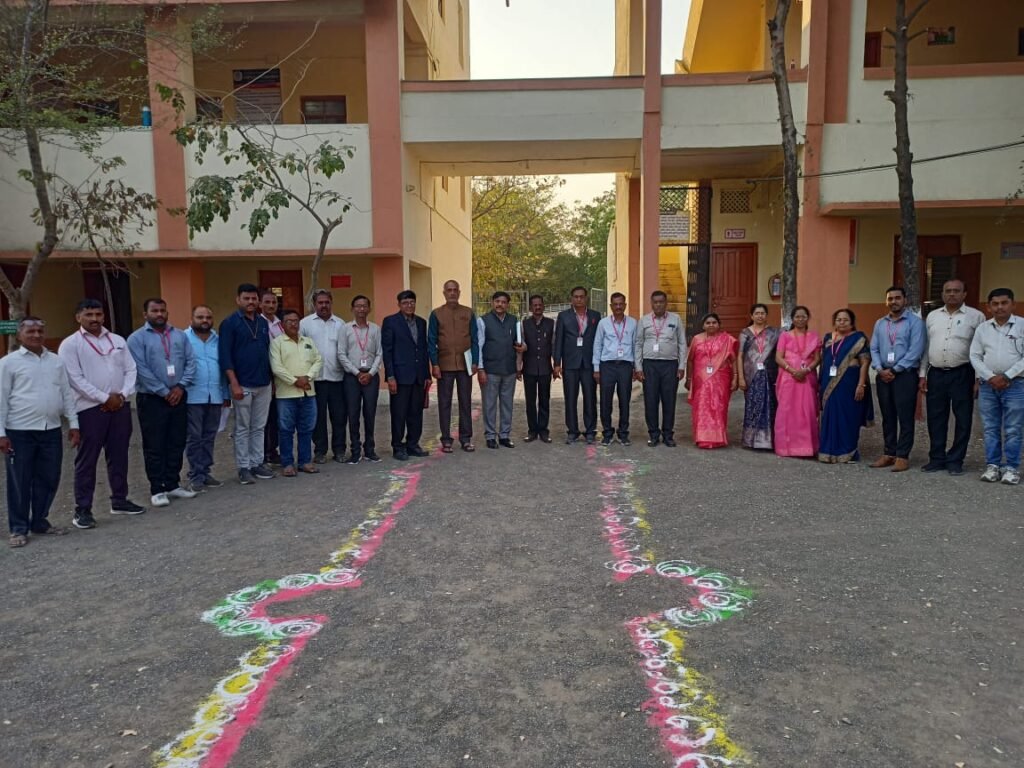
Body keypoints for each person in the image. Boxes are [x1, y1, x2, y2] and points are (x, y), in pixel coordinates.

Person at [58, 299, 144, 530]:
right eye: (88, 314)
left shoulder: (117, 340)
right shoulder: (70, 345)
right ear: (78, 317)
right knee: (87, 459)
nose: (94, 319)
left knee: (119, 455)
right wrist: (105, 398)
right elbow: (74, 379)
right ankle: (83, 509)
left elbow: (131, 369)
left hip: (120, 406)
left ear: (104, 316)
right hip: (89, 409)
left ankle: (120, 500)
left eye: (98, 314)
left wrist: (122, 395)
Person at [0, 317, 80, 548]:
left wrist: (74, 424)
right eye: (30, 331)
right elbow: (1, 399)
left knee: (49, 477)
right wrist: (1, 433)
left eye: (40, 331)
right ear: (19, 335)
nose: (36, 335)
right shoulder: (8, 363)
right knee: (20, 480)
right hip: (19, 431)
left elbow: (66, 394)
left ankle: (40, 521)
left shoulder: (56, 361)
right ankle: (18, 528)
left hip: (51, 430)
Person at [127, 298, 198, 507]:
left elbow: (191, 362)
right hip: (152, 399)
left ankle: (173, 483)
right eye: (155, 311)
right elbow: (140, 369)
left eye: (162, 310)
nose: (159, 314)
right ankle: (157, 488)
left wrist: (180, 387)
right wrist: (164, 391)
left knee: (176, 441)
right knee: (154, 444)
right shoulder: (136, 339)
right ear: (145, 314)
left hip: (179, 395)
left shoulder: (179, 336)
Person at [919, 280, 985, 475]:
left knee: (963, 418)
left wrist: (978, 378)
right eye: (948, 291)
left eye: (956, 291)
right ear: (942, 294)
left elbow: (981, 349)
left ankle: (956, 460)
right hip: (936, 373)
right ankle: (937, 458)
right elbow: (926, 347)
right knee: (935, 417)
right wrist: (922, 374)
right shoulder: (932, 317)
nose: (952, 294)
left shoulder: (976, 316)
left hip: (963, 373)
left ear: (964, 294)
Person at [220, 283, 274, 484]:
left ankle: (257, 463)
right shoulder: (230, 323)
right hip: (242, 384)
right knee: (242, 427)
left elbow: (267, 352)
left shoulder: (262, 322)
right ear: (238, 300)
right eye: (246, 298)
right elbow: (225, 356)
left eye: (254, 299)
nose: (251, 302)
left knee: (259, 426)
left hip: (264, 383)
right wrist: (233, 383)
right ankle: (244, 467)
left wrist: (271, 381)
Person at [970, 288, 1024, 485]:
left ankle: (1011, 468)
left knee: (1013, 428)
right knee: (990, 428)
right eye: (995, 303)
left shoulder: (1022, 325)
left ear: (1013, 304)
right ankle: (992, 465)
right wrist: (990, 376)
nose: (1000, 307)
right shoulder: (983, 328)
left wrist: (1007, 376)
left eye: (1004, 303)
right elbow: (975, 355)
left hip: (1016, 384)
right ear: (989, 307)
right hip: (988, 385)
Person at [869, 286, 925, 472]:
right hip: (883, 375)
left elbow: (915, 350)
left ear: (905, 300)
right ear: (886, 301)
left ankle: (902, 456)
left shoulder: (915, 323)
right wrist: (879, 369)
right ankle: (889, 452)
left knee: (905, 416)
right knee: (887, 416)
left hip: (904, 375)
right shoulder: (880, 323)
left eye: (897, 298)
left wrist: (895, 369)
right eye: (890, 298)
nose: (894, 301)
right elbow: (874, 348)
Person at [427, 279, 479, 453]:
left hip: (465, 365)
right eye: (449, 290)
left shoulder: (468, 312)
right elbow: (431, 340)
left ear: (459, 292)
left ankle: (466, 439)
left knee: (465, 402)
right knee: (444, 403)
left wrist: (475, 361)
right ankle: (446, 439)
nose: (452, 293)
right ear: (444, 293)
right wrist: (435, 364)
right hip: (444, 364)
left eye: (455, 290)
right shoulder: (436, 314)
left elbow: (475, 339)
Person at [271, 309, 323, 477]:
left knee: (306, 429)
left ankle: (305, 462)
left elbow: (318, 360)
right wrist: (295, 381)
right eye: (289, 321)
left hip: (308, 393)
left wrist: (308, 377)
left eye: (296, 321)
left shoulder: (308, 341)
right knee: (286, 430)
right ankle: (287, 463)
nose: (293, 324)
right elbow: (277, 367)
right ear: (282, 324)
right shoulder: (277, 343)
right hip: (286, 395)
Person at [184, 305, 231, 493]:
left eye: (208, 317)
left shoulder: (218, 340)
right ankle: (195, 475)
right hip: (192, 396)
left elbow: (223, 368)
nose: (204, 320)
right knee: (194, 437)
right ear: (192, 319)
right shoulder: (183, 339)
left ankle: (205, 471)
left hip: (215, 396)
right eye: (200, 317)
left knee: (209, 436)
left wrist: (225, 394)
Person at [818, 308, 874, 463]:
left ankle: (848, 451)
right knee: (830, 415)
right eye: (838, 320)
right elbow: (823, 361)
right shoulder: (828, 338)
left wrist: (861, 384)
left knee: (848, 416)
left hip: (849, 384)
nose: (842, 322)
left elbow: (864, 363)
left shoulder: (858, 338)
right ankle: (827, 451)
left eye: (845, 320)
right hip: (828, 382)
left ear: (852, 322)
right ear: (834, 322)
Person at [381, 290, 431, 461]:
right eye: (405, 303)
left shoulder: (421, 322)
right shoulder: (390, 322)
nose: (409, 305)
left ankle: (413, 444)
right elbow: (387, 351)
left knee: (416, 412)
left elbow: (423, 349)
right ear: (399, 304)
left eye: (411, 302)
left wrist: (426, 375)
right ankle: (397, 446)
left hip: (418, 376)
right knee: (399, 413)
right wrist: (390, 376)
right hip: (400, 376)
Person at [635, 290, 687, 447]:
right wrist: (638, 367)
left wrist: (681, 366)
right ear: (651, 303)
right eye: (655, 302)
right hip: (649, 365)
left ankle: (668, 435)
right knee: (650, 400)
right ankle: (653, 434)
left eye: (661, 302)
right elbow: (638, 344)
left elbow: (682, 343)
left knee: (669, 400)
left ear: (666, 303)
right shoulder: (644, 320)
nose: (658, 305)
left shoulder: (675, 319)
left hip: (669, 365)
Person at [301, 289, 347, 463]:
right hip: (315, 380)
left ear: (331, 303)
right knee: (317, 418)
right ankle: (320, 451)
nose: (324, 305)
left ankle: (339, 450)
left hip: (337, 379)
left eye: (327, 302)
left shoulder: (340, 324)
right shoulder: (305, 324)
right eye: (320, 303)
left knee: (339, 417)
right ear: (314, 304)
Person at [553, 286, 601, 444]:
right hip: (570, 364)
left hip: (588, 363)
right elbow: (558, 340)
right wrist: (557, 363)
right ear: (571, 299)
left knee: (590, 398)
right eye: (576, 297)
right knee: (570, 398)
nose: (579, 299)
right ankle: (572, 431)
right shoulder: (563, 316)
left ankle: (590, 431)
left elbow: (599, 340)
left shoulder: (595, 315)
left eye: (581, 296)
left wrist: (598, 364)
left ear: (586, 298)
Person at [338, 295, 383, 463]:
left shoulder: (375, 329)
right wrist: (357, 373)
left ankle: (370, 449)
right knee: (353, 413)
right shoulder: (345, 329)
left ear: (369, 309)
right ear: (352, 309)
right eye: (358, 306)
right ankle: (355, 451)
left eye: (364, 306)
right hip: (352, 377)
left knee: (370, 413)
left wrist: (370, 373)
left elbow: (379, 353)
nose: (361, 309)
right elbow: (341, 354)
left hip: (371, 376)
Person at [684, 313, 738, 449]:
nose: (711, 325)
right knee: (702, 407)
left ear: (719, 325)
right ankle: (701, 437)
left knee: (719, 408)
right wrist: (688, 378)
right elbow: (690, 360)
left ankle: (718, 438)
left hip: (721, 380)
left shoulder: (727, 340)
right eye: (708, 323)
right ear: (703, 326)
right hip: (701, 380)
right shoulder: (696, 339)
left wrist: (735, 377)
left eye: (714, 322)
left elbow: (733, 360)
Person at [477, 291, 524, 449]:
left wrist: (519, 363)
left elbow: (519, 344)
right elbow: (479, 346)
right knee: (489, 405)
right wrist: (481, 369)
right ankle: (490, 436)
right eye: (497, 301)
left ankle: (504, 435)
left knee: (507, 404)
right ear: (492, 302)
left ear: (507, 305)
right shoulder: (483, 321)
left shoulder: (514, 321)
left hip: (509, 370)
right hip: (490, 370)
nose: (500, 304)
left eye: (503, 302)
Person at [774, 305, 821, 458]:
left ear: (808, 318)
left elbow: (817, 358)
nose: (800, 319)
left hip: (807, 377)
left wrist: (806, 370)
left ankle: (807, 447)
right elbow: (778, 357)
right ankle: (786, 447)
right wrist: (792, 370)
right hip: (788, 377)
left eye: (803, 316)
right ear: (792, 319)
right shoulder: (785, 336)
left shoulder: (814, 336)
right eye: (797, 317)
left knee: (807, 411)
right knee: (787, 411)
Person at [593, 292, 638, 446]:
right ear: (611, 306)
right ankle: (607, 433)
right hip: (607, 366)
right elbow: (597, 345)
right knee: (605, 401)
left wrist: (636, 367)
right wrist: (596, 368)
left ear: (625, 305)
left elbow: (635, 346)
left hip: (625, 366)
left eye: (621, 304)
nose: (618, 307)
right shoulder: (603, 323)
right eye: (615, 304)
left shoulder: (632, 323)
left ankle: (623, 433)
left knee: (625, 400)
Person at [736, 304, 780, 450]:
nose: (760, 316)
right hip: (751, 375)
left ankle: (768, 440)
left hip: (770, 375)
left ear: (766, 315)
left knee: (770, 406)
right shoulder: (745, 333)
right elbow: (740, 355)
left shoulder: (774, 333)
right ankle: (751, 439)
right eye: (757, 313)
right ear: (752, 316)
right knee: (752, 407)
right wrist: (741, 377)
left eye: (762, 313)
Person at [521, 294, 555, 443]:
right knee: (530, 402)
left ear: (543, 306)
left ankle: (543, 430)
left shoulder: (551, 323)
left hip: (545, 369)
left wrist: (557, 365)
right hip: (529, 368)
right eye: (534, 305)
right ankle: (532, 431)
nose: (537, 307)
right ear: (530, 307)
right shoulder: (524, 324)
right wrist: (518, 367)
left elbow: (554, 345)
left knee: (544, 401)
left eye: (540, 304)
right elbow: (520, 346)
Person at [261, 288, 283, 466]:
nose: (271, 305)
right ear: (260, 304)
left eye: (274, 302)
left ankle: (272, 450)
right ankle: (261, 454)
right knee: (263, 419)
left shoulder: (280, 324)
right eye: (267, 302)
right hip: (264, 376)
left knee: (276, 417)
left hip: (281, 377)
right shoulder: (257, 323)